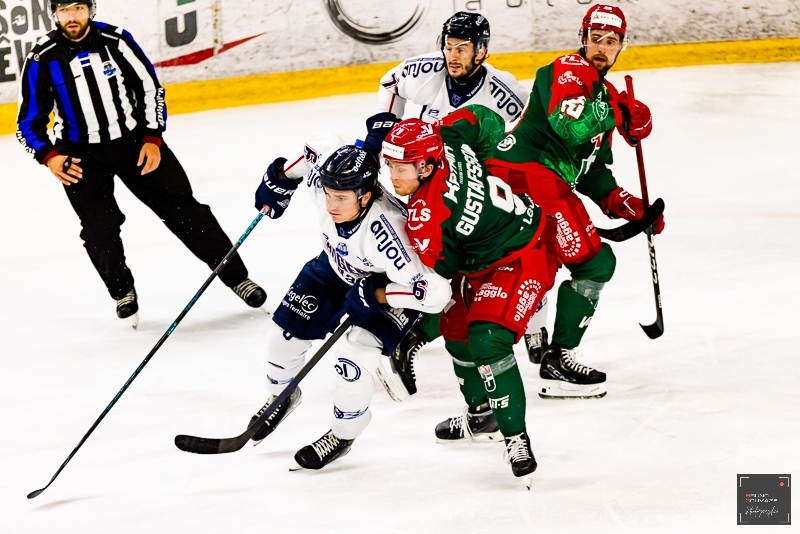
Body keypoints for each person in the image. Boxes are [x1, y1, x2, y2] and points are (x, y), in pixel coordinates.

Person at [15, 0, 266, 328]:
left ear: (91, 9)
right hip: (80, 155)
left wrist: (152, 138)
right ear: (54, 14)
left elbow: (150, 90)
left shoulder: (116, 41)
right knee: (98, 229)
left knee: (186, 212)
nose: (71, 16)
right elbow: (27, 122)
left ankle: (237, 278)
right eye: (64, 10)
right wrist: (50, 156)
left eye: (78, 8)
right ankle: (122, 291)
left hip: (134, 143)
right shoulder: (42, 56)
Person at [486, 4, 665, 398]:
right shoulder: (570, 69)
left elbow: (590, 168)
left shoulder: (603, 92)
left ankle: (419, 334)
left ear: (622, 46)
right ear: (582, 39)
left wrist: (624, 203)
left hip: (539, 183)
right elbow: (570, 125)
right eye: (595, 39)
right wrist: (614, 111)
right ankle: (556, 357)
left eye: (611, 41)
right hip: (525, 177)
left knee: (529, 270)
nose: (602, 48)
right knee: (594, 260)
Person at [365, 11, 548, 385]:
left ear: (481, 51)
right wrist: (384, 126)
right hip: (424, 182)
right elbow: (391, 82)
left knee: (515, 250)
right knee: (421, 253)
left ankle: (534, 326)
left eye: (462, 48)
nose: (452, 55)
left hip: (472, 191)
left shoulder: (505, 90)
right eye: (448, 46)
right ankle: (413, 322)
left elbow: (532, 130)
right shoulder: (426, 72)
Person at [382, 106, 561, 487]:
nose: (392, 175)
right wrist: (483, 169)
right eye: (390, 165)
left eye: (402, 168)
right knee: (456, 329)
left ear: (427, 166)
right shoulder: (446, 134)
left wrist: (407, 326)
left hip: (525, 251)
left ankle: (516, 438)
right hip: (487, 251)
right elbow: (482, 118)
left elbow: (437, 285)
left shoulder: (427, 218)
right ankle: (482, 415)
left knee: (487, 338)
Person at [250, 140, 451, 470]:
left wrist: (379, 295)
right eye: (329, 194)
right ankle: (280, 397)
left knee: (353, 360)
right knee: (281, 339)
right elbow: (313, 151)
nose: (331, 204)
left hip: (383, 288)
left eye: (341, 198)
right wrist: (281, 180)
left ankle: (342, 435)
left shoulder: (390, 232)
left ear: (366, 195)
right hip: (333, 268)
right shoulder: (328, 183)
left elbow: (435, 293)